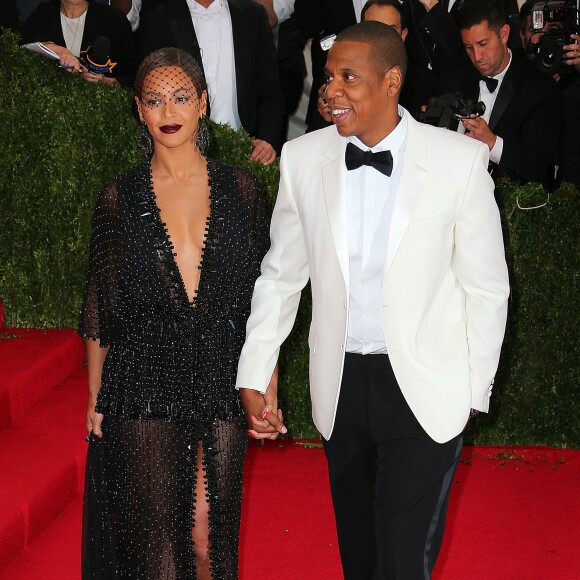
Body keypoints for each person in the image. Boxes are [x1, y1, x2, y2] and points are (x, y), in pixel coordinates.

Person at [236, 20, 510, 579]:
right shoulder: (302, 159)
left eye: (347, 78)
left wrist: (471, 391)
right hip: (340, 384)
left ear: (391, 82)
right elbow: (281, 275)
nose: (329, 91)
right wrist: (255, 367)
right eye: (328, 76)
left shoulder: (459, 161)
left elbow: (486, 285)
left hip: (426, 388)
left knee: (402, 559)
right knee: (359, 557)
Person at [79, 47, 271, 579]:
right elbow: (102, 304)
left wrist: (266, 380)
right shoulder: (118, 197)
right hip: (141, 380)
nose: (169, 111)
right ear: (139, 110)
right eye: (155, 100)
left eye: (182, 97)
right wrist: (96, 396)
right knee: (158, 553)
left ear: (203, 103)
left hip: (219, 376)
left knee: (211, 541)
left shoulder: (243, 190)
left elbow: (264, 297)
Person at [138, 0, 285, 165]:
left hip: (246, 153)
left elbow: (270, 90)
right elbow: (146, 93)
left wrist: (266, 141)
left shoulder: (253, 14)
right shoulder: (158, 19)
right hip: (182, 158)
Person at [436, 0, 561, 184]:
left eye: (483, 43)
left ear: (504, 34)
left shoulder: (539, 88)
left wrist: (492, 142)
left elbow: (538, 166)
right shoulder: (453, 80)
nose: (477, 57)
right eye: (469, 47)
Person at [317, 0, 438, 120]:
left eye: (390, 30)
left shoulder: (425, 84)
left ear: (403, 35)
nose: (381, 39)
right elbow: (316, 130)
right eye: (373, 29)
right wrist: (331, 119)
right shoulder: (337, 77)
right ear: (360, 32)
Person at [20, 0, 138, 87]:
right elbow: (23, 43)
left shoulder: (114, 20)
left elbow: (135, 76)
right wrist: (59, 51)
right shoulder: (43, 13)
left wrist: (109, 82)